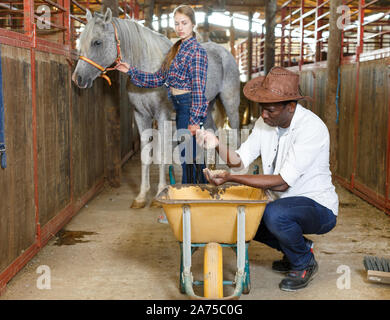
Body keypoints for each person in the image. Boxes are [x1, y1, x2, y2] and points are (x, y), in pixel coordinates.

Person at [196, 66, 339, 292]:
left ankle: (303, 263)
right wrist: (217, 144)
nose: (263, 115)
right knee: (243, 218)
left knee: (275, 214)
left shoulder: (311, 128)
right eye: (262, 109)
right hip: (283, 203)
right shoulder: (266, 124)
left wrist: (231, 179)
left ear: (290, 107)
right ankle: (298, 249)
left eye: (270, 110)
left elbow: (282, 182)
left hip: (318, 207)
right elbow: (239, 160)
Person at [115, 4, 208, 184]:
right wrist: (131, 71)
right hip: (181, 106)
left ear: (193, 24)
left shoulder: (196, 52)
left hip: (189, 105)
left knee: (190, 154)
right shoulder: (175, 50)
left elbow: (198, 89)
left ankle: (198, 195)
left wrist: (195, 120)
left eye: (184, 23)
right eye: (177, 23)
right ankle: (193, 194)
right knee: (186, 154)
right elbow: (158, 79)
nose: (180, 28)